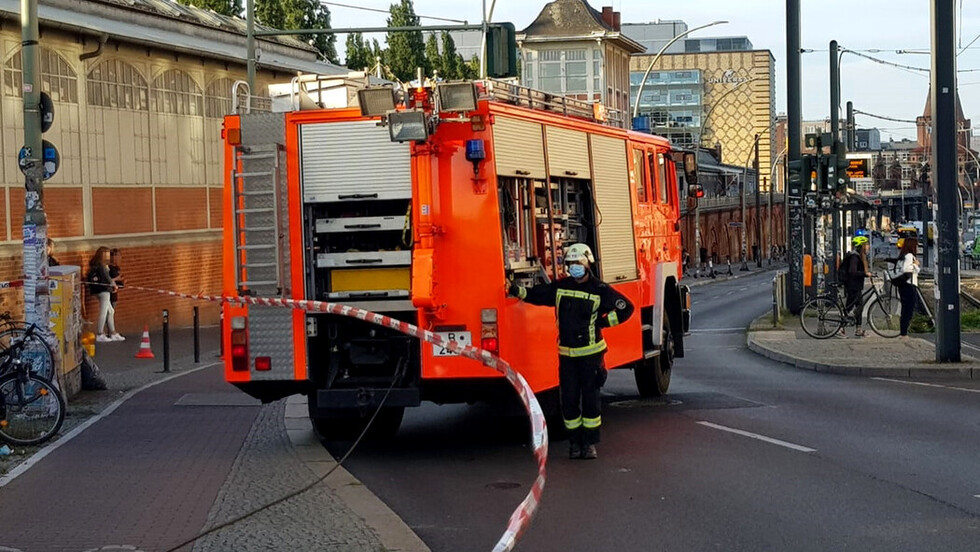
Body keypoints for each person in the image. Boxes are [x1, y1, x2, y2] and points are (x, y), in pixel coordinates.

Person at [507, 243, 634, 460]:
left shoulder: (600, 289)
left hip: (592, 355)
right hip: (567, 355)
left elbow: (626, 308)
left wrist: (603, 323)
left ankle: (590, 444)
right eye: (570, 264)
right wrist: (515, 290)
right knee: (569, 401)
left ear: (587, 263)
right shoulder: (561, 287)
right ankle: (575, 443)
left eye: (578, 264)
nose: (574, 268)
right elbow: (537, 295)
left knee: (592, 401)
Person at [838, 234, 872, 338]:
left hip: (856, 285)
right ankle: (840, 329)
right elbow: (852, 272)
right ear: (861, 246)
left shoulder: (858, 256)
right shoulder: (855, 257)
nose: (868, 247)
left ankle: (858, 329)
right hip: (853, 286)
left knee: (859, 307)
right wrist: (865, 274)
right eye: (866, 245)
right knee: (849, 308)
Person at [88, 247, 124, 342]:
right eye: (107, 254)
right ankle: (100, 333)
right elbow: (107, 278)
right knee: (104, 312)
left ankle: (113, 332)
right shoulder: (102, 266)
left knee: (110, 311)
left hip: (99, 290)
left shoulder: (96, 265)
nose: (108, 256)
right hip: (104, 290)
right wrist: (114, 285)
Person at [893, 237, 921, 339]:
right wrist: (916, 265)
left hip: (903, 285)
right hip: (909, 285)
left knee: (905, 309)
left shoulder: (903, 255)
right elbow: (907, 269)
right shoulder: (909, 256)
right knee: (908, 309)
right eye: (916, 245)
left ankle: (903, 332)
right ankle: (904, 333)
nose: (917, 247)